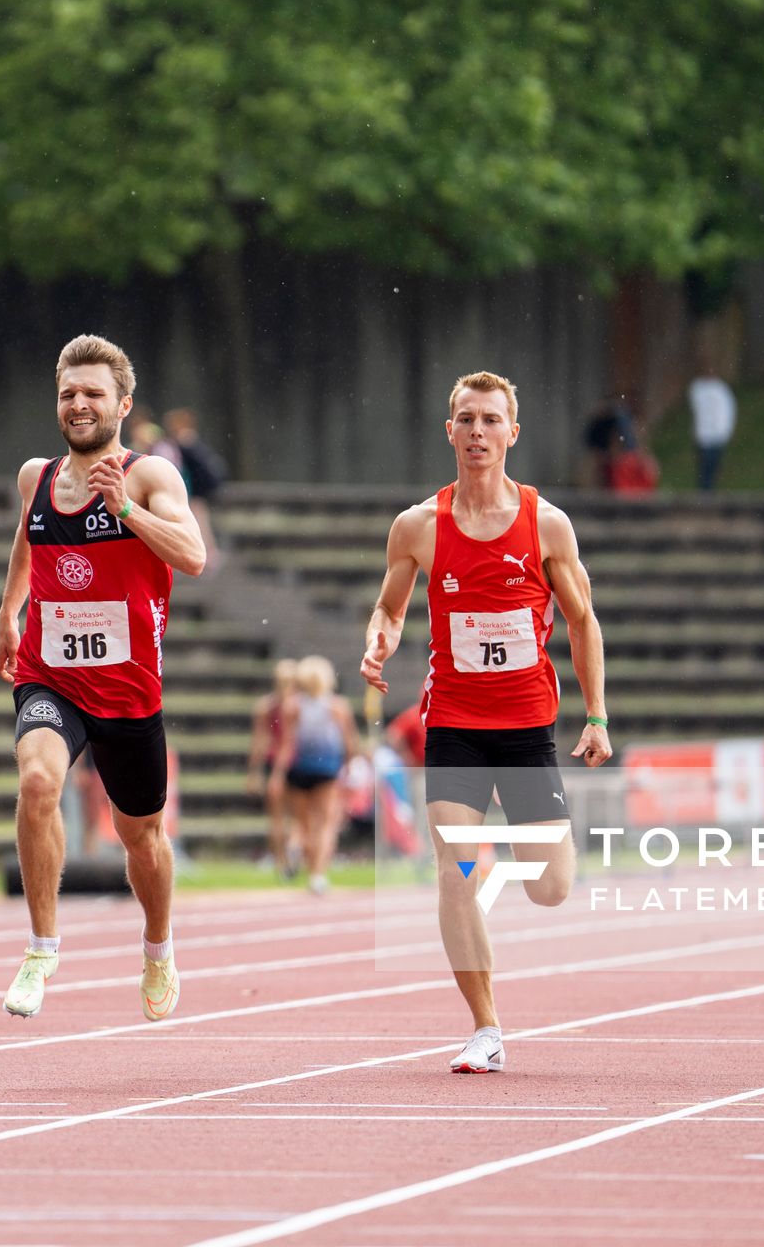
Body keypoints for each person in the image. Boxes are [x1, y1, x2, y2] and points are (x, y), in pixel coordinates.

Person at [361, 370, 612, 1074]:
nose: (477, 432)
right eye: (465, 420)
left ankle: (504, 847)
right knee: (454, 870)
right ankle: (486, 1027)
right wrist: (378, 637)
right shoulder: (419, 527)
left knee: (550, 887)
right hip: (457, 726)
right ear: (450, 431)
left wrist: (596, 716)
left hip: (529, 728)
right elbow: (389, 607)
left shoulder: (547, 524)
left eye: (490, 421)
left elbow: (583, 621)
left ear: (512, 433)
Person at [0, 334, 206, 1022]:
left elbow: (195, 556)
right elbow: (27, 542)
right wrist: (8, 614)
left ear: (123, 403)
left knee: (140, 835)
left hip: (129, 687)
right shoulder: (36, 477)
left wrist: (129, 512)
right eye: (68, 393)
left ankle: (157, 948)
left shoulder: (150, 477)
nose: (79, 404)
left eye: (92, 394)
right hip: (50, 675)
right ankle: (41, 947)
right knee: (36, 781)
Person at [274, 654, 359, 895]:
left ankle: (297, 848)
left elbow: (287, 744)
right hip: (327, 769)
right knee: (326, 825)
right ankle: (317, 875)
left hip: (299, 769)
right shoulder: (337, 706)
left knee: (303, 825)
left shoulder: (293, 705)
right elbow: (349, 742)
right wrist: (351, 766)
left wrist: (278, 775)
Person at [246, 658, 299, 878]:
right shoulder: (299, 706)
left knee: (277, 818)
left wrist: (254, 772)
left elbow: (260, 742)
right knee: (298, 818)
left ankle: (281, 862)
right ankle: (292, 853)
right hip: (298, 762)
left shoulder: (266, 706)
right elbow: (289, 742)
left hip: (274, 761)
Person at [164, 408, 226, 572]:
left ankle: (208, 554)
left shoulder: (184, 440)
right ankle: (207, 553)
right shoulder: (189, 439)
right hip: (198, 488)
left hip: (197, 488)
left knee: (199, 521)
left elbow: (193, 467)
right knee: (199, 519)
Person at [688, 375, 736, 492]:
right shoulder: (697, 388)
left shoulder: (720, 389)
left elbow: (727, 411)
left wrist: (724, 432)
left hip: (717, 436)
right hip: (704, 437)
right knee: (704, 470)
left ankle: (708, 493)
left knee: (712, 469)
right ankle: (705, 494)